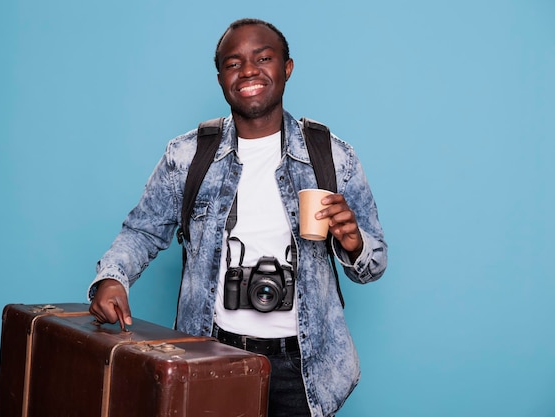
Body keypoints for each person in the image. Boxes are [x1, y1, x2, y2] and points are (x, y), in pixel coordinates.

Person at [88, 18, 387, 417]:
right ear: (219, 78)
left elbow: (374, 265)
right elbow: (142, 231)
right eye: (233, 63)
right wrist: (112, 278)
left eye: (263, 58)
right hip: (211, 355)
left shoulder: (331, 155)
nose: (248, 71)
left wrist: (354, 244)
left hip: (306, 366)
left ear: (287, 68)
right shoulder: (188, 156)